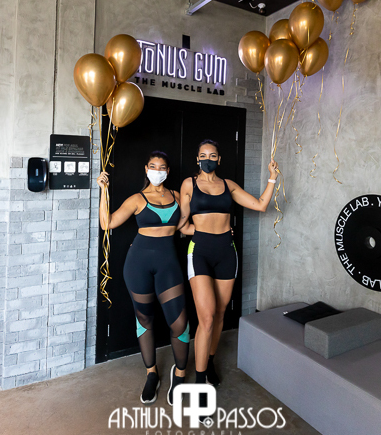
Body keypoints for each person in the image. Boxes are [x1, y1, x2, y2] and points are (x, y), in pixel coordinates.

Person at [179, 140, 278, 394]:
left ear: (219, 159)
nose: (208, 159)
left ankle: (209, 361)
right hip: (199, 252)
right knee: (207, 317)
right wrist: (200, 232)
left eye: (212, 155)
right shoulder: (189, 184)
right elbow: (181, 224)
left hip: (226, 252)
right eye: (203, 155)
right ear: (197, 159)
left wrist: (272, 178)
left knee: (220, 314)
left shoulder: (228, 185)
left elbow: (260, 205)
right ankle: (200, 382)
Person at [97, 151, 191, 405]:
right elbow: (107, 223)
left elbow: (187, 225)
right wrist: (103, 190)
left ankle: (179, 375)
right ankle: (152, 374)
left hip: (168, 265)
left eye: (162, 167)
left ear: (168, 171)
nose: (157, 171)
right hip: (138, 265)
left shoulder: (178, 197)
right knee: (145, 319)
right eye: (152, 166)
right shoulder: (137, 199)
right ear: (146, 169)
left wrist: (218, 231)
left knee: (180, 323)